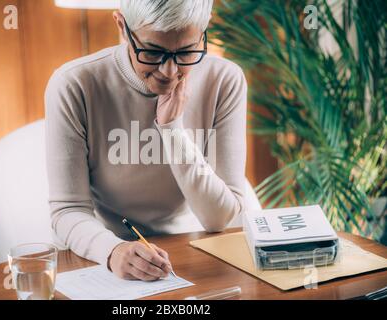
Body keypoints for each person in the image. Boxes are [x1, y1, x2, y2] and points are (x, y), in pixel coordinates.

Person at [44, 0, 247, 282]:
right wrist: (113, 251)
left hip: (196, 253)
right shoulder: (74, 85)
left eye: (187, 51)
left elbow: (219, 218)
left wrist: (172, 128)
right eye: (152, 52)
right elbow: (67, 211)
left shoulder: (225, 80)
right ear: (122, 27)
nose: (169, 71)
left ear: (204, 30)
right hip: (109, 257)